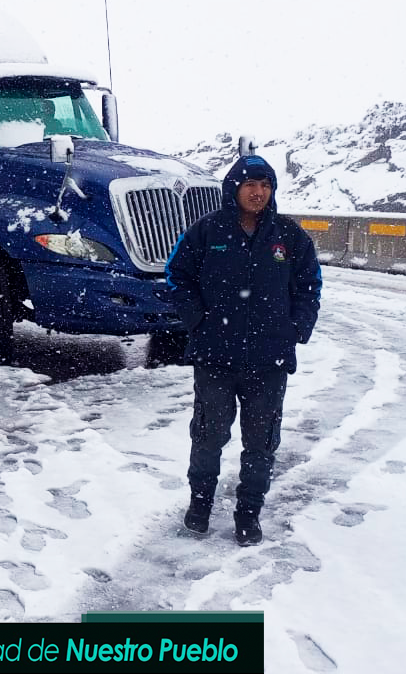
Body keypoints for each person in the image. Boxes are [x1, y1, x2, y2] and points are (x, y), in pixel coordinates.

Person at [165, 154, 322, 546]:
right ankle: (200, 503)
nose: (258, 193)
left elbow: (310, 286)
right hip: (215, 357)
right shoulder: (207, 231)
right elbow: (176, 275)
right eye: (251, 184)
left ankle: (248, 511)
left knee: (261, 442)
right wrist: (196, 320)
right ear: (234, 188)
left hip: (269, 361)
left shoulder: (289, 236)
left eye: (266, 185)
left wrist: (296, 329)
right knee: (208, 435)